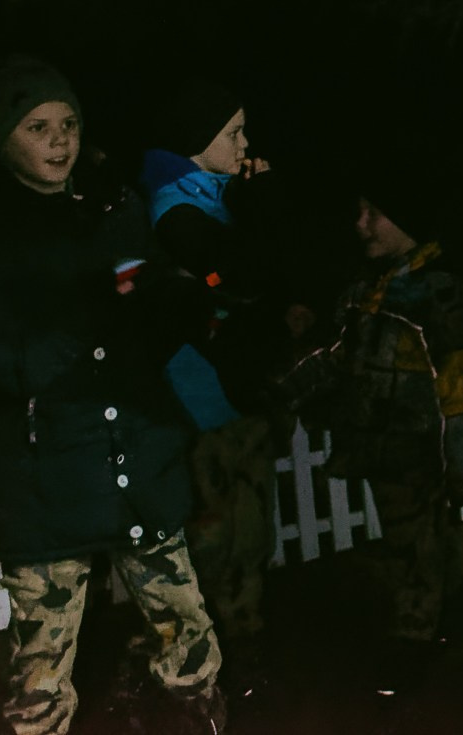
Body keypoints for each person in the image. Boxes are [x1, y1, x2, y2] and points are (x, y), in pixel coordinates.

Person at [0, 56, 225, 735]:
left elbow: (143, 296)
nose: (59, 140)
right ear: (1, 136)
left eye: (68, 122)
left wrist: (175, 299)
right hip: (46, 471)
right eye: (37, 126)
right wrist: (52, 339)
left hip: (133, 450)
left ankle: (192, 712)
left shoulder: (112, 203)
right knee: (42, 661)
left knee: (185, 625)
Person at [278, 167, 463, 692]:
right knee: (419, 537)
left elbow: (460, 381)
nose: (362, 223)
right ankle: (457, 608)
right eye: (359, 211)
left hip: (418, 447)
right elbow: (339, 356)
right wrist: (292, 380)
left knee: (411, 544)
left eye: (375, 213)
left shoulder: (438, 294)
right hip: (379, 443)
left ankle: (414, 639)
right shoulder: (367, 289)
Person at [137, 79, 282, 672]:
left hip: (232, 391)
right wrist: (261, 203)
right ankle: (220, 652)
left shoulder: (213, 193)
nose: (245, 142)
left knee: (247, 528)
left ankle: (241, 636)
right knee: (220, 535)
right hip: (203, 397)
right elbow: (244, 271)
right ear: (200, 141)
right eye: (233, 133)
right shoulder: (178, 209)